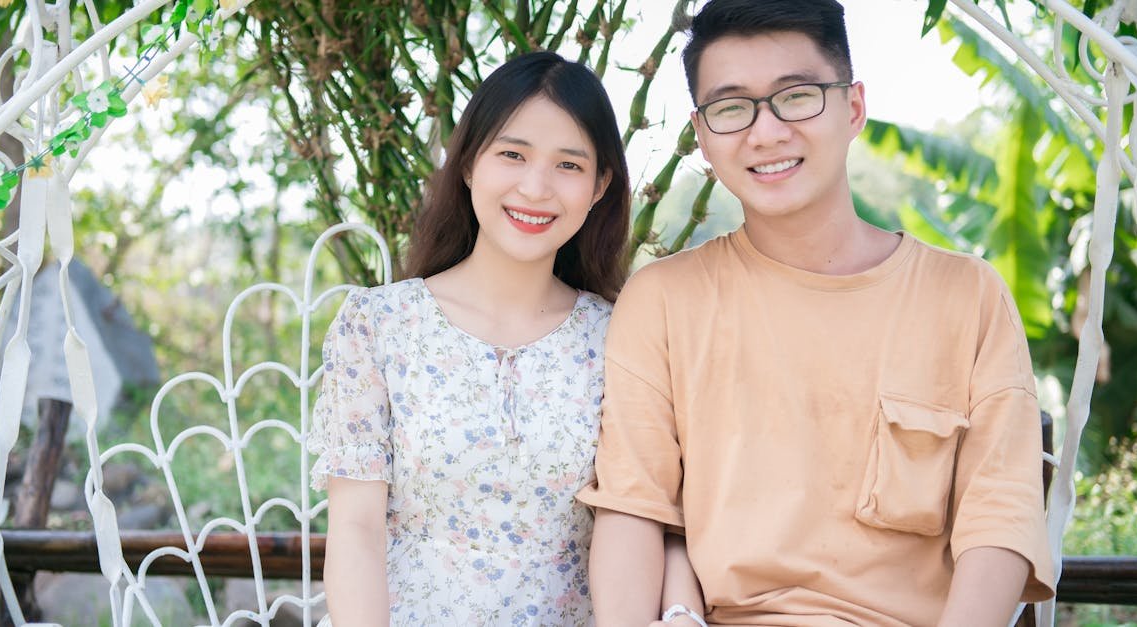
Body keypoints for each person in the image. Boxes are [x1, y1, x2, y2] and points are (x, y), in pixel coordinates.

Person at [577, 1, 1056, 625]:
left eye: (796, 96)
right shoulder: (664, 301)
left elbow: (1001, 515)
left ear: (853, 106)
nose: (766, 132)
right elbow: (633, 508)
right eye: (730, 108)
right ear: (701, 134)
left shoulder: (967, 296)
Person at [306, 50, 630, 625]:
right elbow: (355, 529)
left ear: (601, 184)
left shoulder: (622, 337)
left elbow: (640, 526)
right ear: (468, 164)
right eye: (512, 154)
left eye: (569, 165)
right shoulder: (378, 325)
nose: (535, 187)